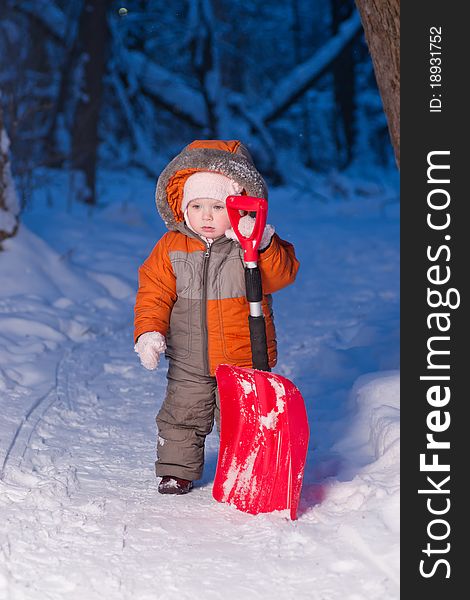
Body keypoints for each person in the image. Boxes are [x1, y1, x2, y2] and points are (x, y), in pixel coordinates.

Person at [134, 139, 299, 494]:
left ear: (239, 208)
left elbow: (281, 276)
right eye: (197, 206)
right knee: (182, 414)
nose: (206, 216)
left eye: (217, 206)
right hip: (189, 356)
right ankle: (177, 470)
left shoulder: (250, 244)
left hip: (244, 354)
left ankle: (246, 471)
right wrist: (149, 331)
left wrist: (265, 244)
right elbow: (153, 292)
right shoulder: (172, 246)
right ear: (183, 208)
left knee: (243, 419)